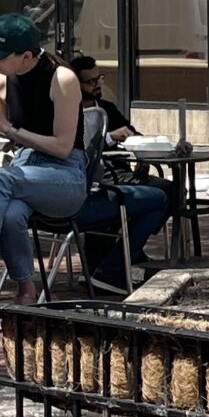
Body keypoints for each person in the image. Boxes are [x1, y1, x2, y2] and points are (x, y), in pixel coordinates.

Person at [0, 12, 87, 303]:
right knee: (11, 213)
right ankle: (27, 289)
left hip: (65, 175)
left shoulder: (62, 78)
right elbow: (9, 136)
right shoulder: (1, 79)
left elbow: (63, 147)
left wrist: (7, 127)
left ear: (26, 56)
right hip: (24, 168)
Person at [67, 52, 171, 289]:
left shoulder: (106, 108)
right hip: (99, 180)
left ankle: (123, 252)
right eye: (90, 82)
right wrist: (110, 138)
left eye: (99, 79)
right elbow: (80, 146)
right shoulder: (69, 112)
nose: (97, 86)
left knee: (171, 192)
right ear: (75, 84)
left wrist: (140, 148)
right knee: (163, 194)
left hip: (122, 172)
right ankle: (119, 260)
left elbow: (133, 134)